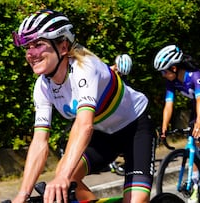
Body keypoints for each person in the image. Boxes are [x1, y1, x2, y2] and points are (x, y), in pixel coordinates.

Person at [11, 9, 156, 203]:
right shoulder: (42, 86)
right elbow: (40, 141)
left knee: (135, 201)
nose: (31, 53)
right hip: (103, 134)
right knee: (65, 174)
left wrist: (62, 177)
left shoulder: (85, 67)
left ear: (63, 47)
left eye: (38, 44)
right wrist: (22, 195)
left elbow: (83, 125)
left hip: (134, 128)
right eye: (27, 47)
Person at [153, 45, 200, 203]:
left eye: (164, 71)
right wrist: (164, 125)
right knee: (194, 144)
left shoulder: (195, 75)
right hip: (198, 107)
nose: (163, 75)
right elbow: (168, 104)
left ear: (173, 68)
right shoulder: (171, 82)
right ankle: (195, 187)